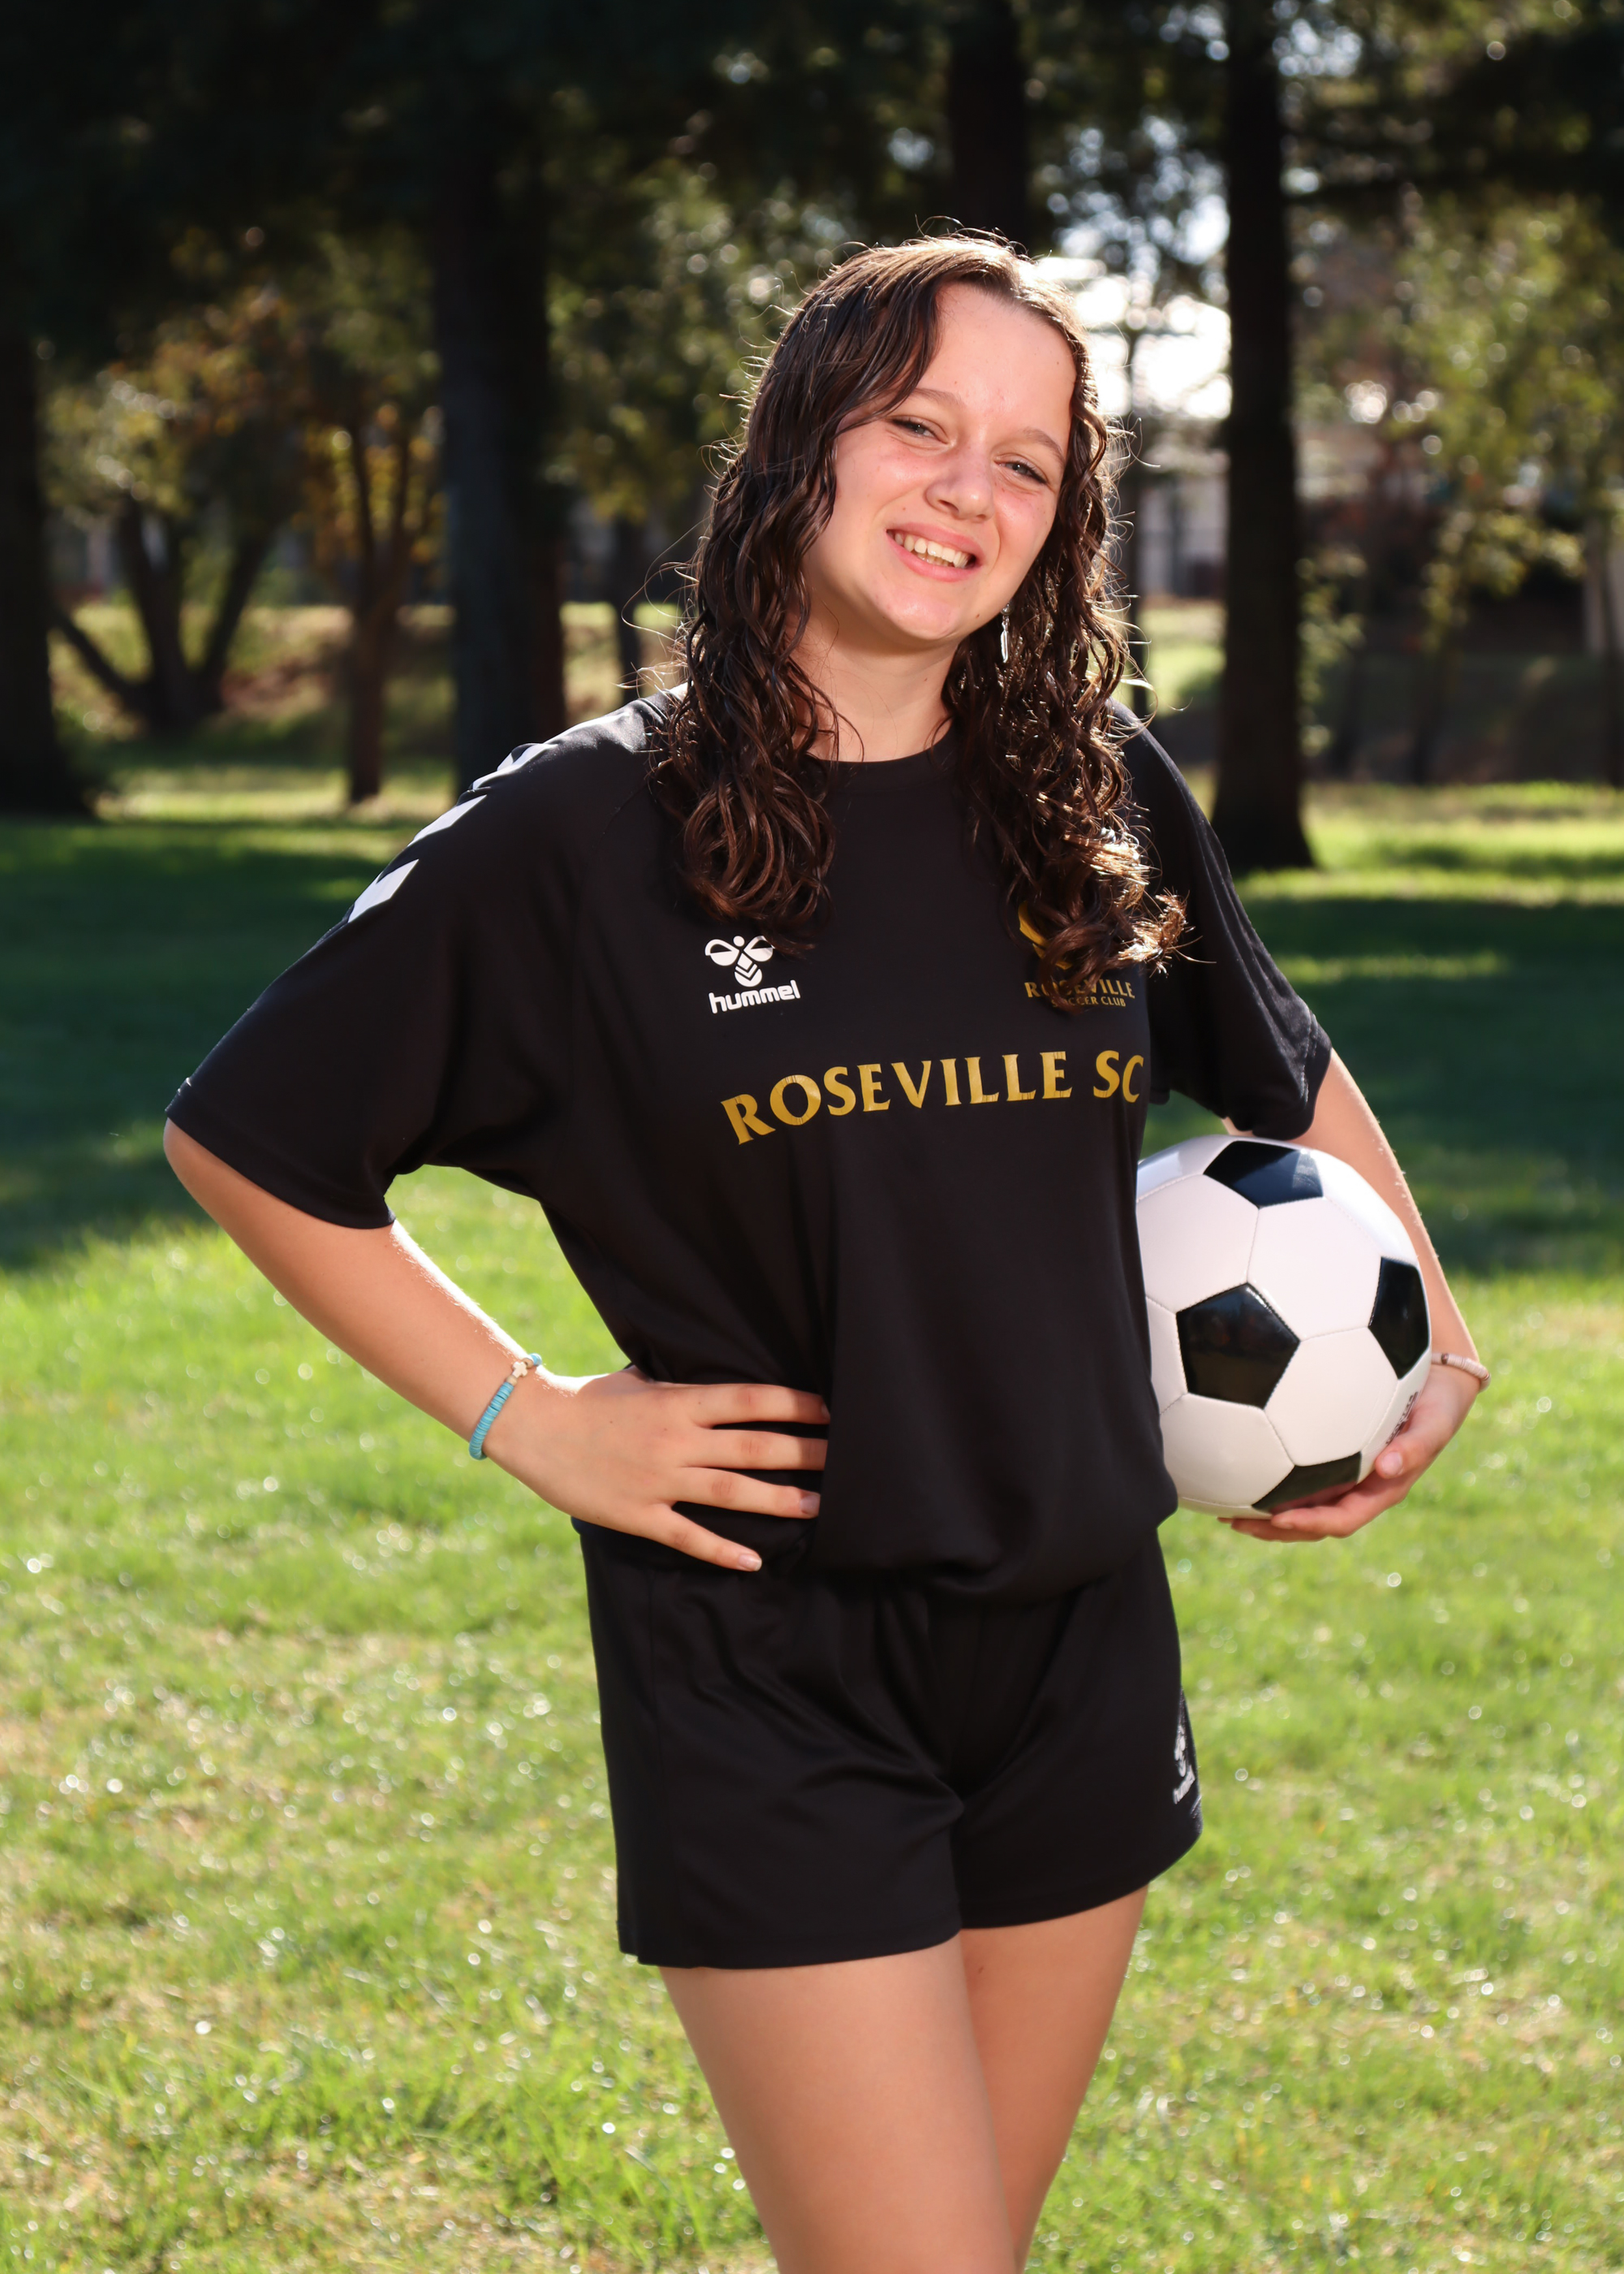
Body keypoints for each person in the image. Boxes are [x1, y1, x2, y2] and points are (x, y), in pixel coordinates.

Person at [164, 237, 1484, 2274]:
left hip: (1078, 1642)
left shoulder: (1089, 787)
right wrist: (531, 1414)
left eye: (1026, 462)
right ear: (800, 444)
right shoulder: (577, 834)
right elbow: (249, 1139)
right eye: (918, 426)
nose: (968, 489)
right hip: (771, 1665)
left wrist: (1430, 1335)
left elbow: (1280, 1072)